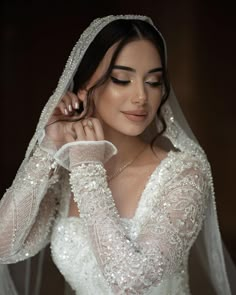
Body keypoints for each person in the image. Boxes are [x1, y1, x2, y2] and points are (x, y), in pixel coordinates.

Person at [0, 15, 235, 295]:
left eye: (154, 81)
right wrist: (49, 147)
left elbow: (129, 280)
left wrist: (88, 169)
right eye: (122, 80)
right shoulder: (66, 171)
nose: (141, 97)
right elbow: (6, 246)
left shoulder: (185, 175)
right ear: (85, 87)